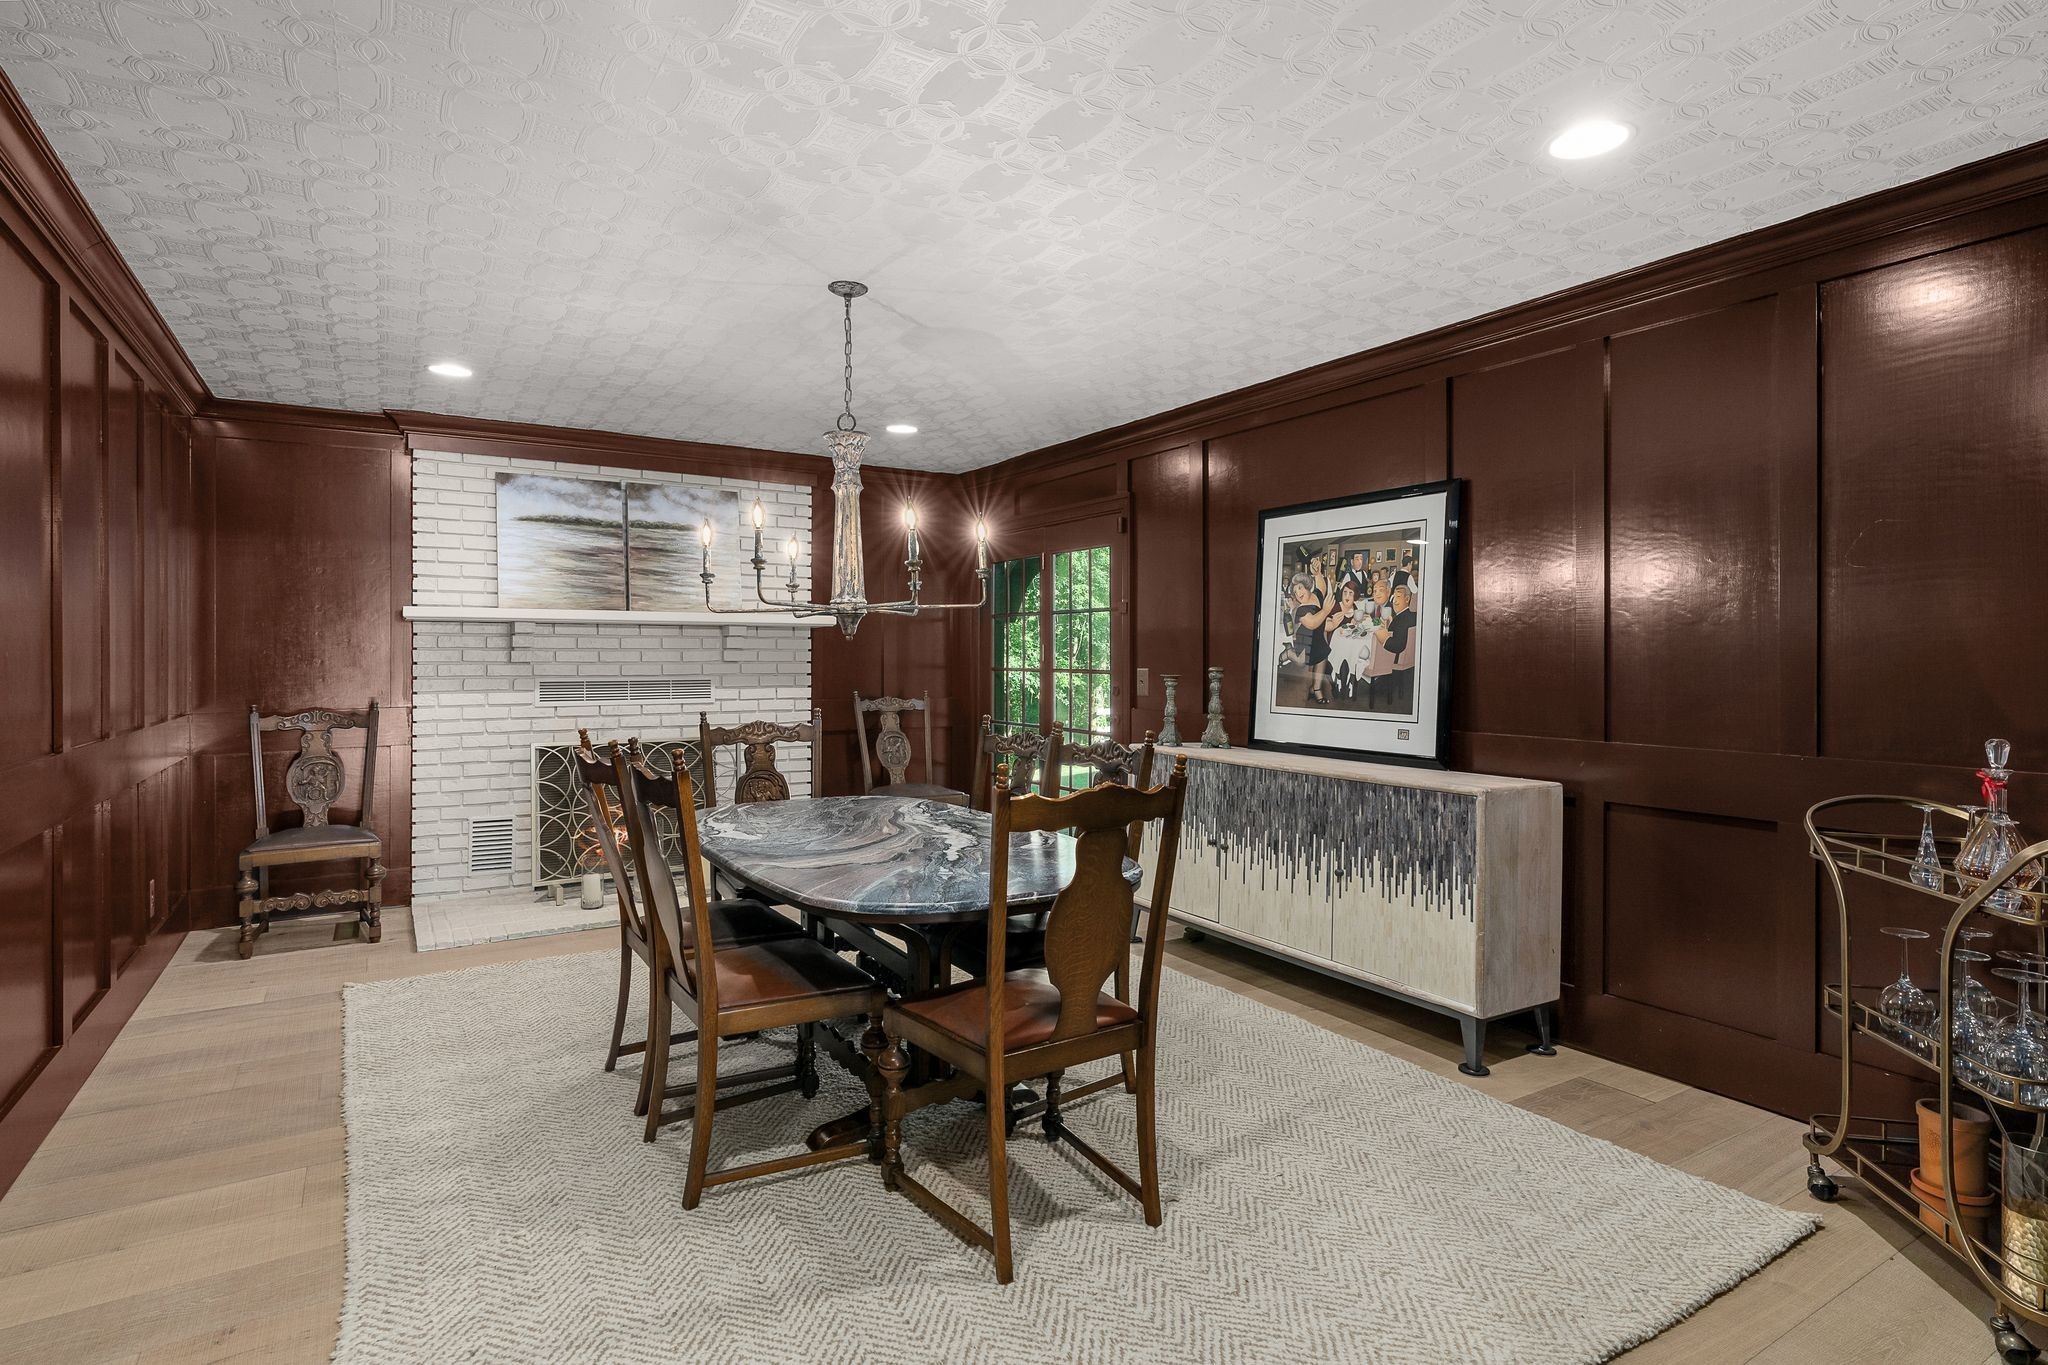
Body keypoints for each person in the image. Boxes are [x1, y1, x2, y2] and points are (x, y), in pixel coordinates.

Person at [1285, 564, 1336, 703]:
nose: (1298, 593)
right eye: (1295, 592)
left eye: (1300, 588)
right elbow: (1312, 623)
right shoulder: (1300, 610)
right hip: (1305, 639)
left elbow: (1322, 588)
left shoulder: (1316, 596)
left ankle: (1316, 689)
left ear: (1307, 585)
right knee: (1301, 662)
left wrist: (1318, 573)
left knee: (1321, 657)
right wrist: (1325, 611)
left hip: (1318, 639)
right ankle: (1289, 653)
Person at [1376, 583, 1419, 714]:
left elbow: (1398, 645)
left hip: (1394, 658)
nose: (1394, 600)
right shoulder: (1412, 616)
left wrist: (1384, 639)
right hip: (1410, 659)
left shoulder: (1401, 620)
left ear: (1407, 599)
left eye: (1398, 597)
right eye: (1394, 596)